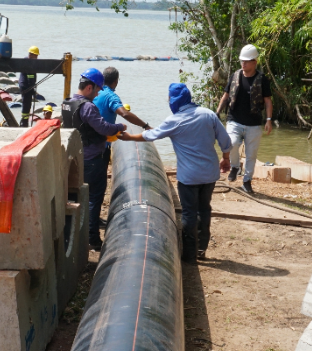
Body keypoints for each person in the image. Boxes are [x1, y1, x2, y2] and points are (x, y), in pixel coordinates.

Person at [120, 83, 232, 264]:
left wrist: (129, 137)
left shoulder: (174, 121)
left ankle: (189, 255)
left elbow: (151, 135)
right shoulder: (208, 114)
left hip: (189, 177)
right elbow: (225, 140)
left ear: (174, 101)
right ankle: (202, 249)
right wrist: (225, 158)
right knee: (204, 209)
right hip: (210, 174)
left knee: (188, 213)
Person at [62, 68, 127, 251]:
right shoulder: (88, 107)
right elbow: (104, 128)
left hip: (75, 157)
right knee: (94, 198)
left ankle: (76, 235)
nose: (98, 93)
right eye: (97, 90)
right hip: (92, 159)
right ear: (89, 87)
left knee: (77, 196)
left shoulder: (67, 103)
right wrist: (119, 126)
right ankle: (92, 238)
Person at [215, 44, 273, 194]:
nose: (244, 63)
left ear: (255, 62)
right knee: (231, 143)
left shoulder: (262, 79)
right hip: (234, 119)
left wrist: (268, 119)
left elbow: (267, 101)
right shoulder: (235, 75)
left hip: (253, 123)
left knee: (251, 154)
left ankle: (247, 181)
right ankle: (235, 166)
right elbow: (226, 96)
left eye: (247, 61)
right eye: (242, 61)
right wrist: (217, 113)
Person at [19, 46, 40, 127]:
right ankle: (24, 122)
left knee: (27, 104)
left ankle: (24, 121)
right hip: (26, 87)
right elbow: (30, 79)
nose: (37, 58)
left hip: (25, 86)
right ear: (31, 55)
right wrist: (32, 90)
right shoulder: (29, 64)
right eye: (36, 56)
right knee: (26, 105)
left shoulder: (27, 61)